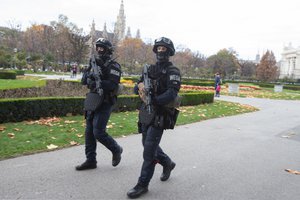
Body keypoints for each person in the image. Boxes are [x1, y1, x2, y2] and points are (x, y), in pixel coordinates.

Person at [127, 37, 181, 198]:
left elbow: (172, 93)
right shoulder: (149, 69)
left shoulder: (173, 71)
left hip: (161, 114)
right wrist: (140, 87)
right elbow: (136, 87)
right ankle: (167, 163)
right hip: (146, 112)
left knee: (149, 150)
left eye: (164, 48)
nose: (160, 51)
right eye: (158, 48)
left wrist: (155, 100)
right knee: (146, 143)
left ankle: (142, 184)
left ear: (169, 51)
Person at [75, 38, 123, 170]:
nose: (99, 50)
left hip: (106, 100)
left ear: (108, 50)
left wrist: (99, 82)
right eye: (98, 47)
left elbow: (113, 84)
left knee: (98, 131)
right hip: (92, 99)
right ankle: (91, 160)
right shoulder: (93, 63)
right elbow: (83, 81)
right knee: (89, 131)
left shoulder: (114, 66)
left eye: (102, 47)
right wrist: (89, 77)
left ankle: (116, 149)